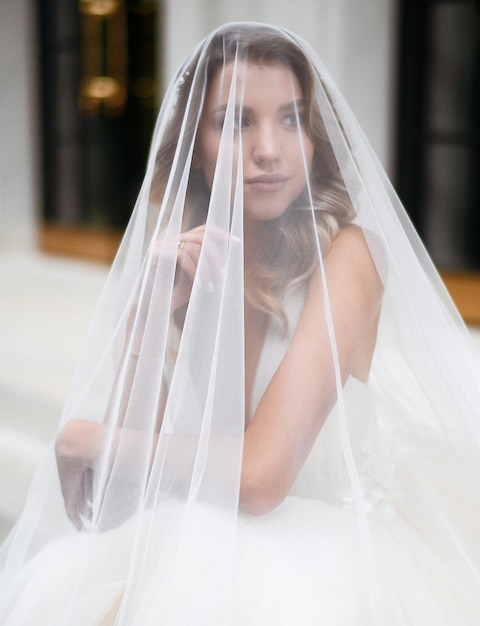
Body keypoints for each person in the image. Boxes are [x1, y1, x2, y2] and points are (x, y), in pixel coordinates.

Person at [1, 22, 479, 625]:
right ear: (194, 147)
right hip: (205, 536)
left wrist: (85, 439)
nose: (268, 150)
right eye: (234, 121)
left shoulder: (350, 256)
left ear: (315, 138)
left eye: (291, 118)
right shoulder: (192, 260)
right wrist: (147, 317)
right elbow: (123, 497)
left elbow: (260, 478)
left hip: (324, 551)